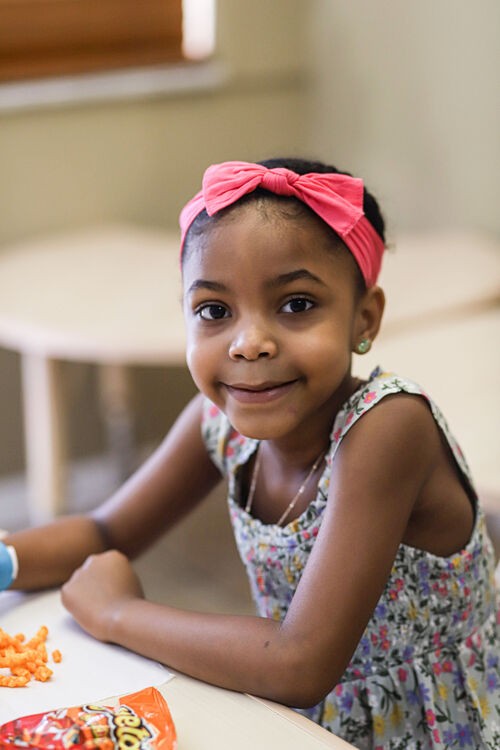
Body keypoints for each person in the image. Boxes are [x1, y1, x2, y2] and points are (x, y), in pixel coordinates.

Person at [1, 158, 499, 749]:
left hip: (433, 731)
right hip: (303, 723)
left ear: (364, 318)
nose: (250, 343)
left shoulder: (388, 428)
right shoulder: (217, 422)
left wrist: (117, 614)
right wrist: (6, 561)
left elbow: (299, 662)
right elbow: (106, 530)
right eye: (214, 311)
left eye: (297, 305)